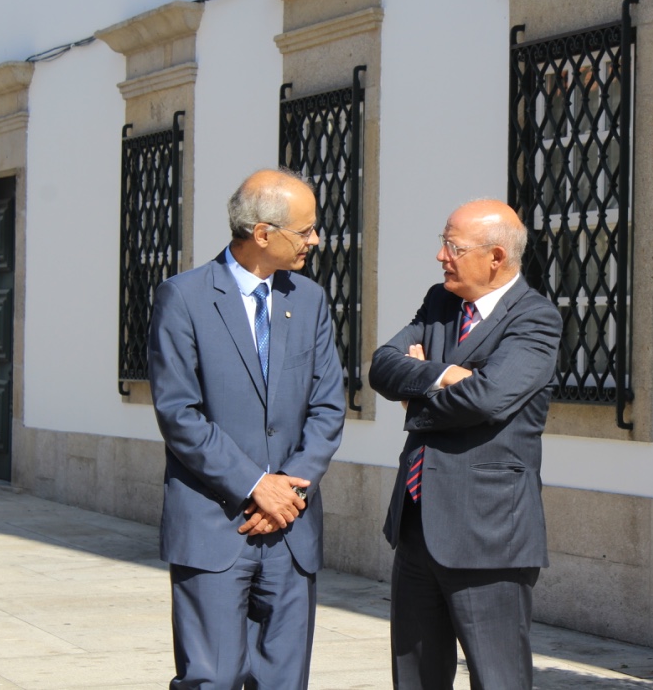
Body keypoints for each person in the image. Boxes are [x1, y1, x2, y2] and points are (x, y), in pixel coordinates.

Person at [148, 168, 346, 689]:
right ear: (262, 233)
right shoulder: (183, 298)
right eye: (305, 231)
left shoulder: (309, 300)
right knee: (212, 679)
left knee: (283, 682)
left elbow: (327, 408)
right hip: (215, 526)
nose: (315, 240)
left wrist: (290, 490)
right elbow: (179, 414)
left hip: (291, 529)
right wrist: (258, 487)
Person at [369, 198, 563, 689]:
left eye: (452, 246)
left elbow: (486, 399)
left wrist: (416, 400)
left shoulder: (535, 319)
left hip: (488, 533)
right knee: (414, 678)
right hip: (416, 525)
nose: (441, 257)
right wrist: (443, 375)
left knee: (496, 679)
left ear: (496, 257)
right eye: (443, 243)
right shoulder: (440, 303)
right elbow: (382, 366)